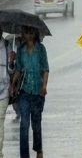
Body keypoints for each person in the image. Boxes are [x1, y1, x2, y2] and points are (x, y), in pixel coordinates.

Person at [10, 26, 49, 158]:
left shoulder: (41, 49)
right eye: (26, 32)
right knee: (24, 124)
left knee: (36, 124)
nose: (29, 35)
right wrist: (13, 85)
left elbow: (45, 69)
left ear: (35, 34)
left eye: (31, 32)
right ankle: (24, 155)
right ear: (23, 34)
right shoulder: (21, 50)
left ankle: (39, 150)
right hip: (25, 92)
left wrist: (44, 86)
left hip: (38, 92)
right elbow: (19, 70)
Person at [0, 28, 15, 158]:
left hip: (3, 92)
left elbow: (11, 70)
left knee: (0, 121)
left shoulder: (7, 45)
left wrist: (11, 62)